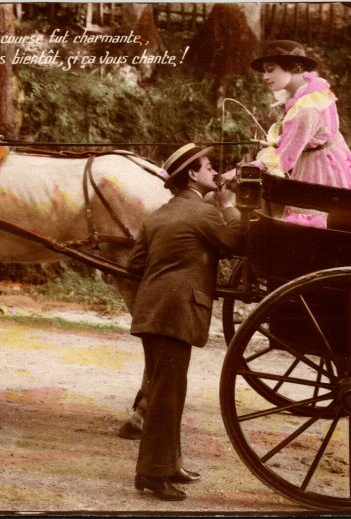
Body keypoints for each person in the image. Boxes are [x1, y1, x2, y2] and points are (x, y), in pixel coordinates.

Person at [127, 143, 244, 501]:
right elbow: (236, 241)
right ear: (192, 175)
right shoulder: (202, 212)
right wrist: (228, 206)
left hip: (153, 312)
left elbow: (134, 267)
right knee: (166, 393)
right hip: (176, 313)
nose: (214, 173)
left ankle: (169, 464)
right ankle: (151, 474)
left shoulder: (157, 215)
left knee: (169, 389)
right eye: (208, 167)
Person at [247, 40, 351, 228]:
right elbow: (294, 140)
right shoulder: (310, 94)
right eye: (264, 70)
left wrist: (244, 168)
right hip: (329, 160)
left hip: (320, 170)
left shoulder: (308, 106)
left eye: (270, 69)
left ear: (295, 67)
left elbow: (284, 159)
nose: (265, 76)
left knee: (308, 222)